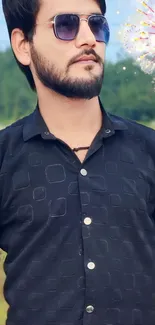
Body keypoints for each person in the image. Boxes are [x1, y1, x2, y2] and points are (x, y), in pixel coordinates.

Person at [1, 0, 155, 324]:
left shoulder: (149, 150)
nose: (88, 38)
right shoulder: (4, 158)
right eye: (66, 24)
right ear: (22, 45)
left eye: (97, 24)